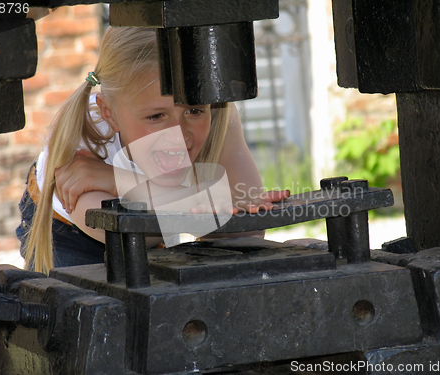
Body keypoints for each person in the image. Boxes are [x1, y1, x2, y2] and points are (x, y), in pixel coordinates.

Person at [17, 26, 290, 274]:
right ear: (109, 114)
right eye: (156, 116)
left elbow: (247, 229)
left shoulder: (218, 117)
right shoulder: (82, 144)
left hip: (156, 220)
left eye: (194, 111)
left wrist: (116, 181)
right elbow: (134, 234)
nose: (178, 134)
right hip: (72, 236)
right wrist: (207, 204)